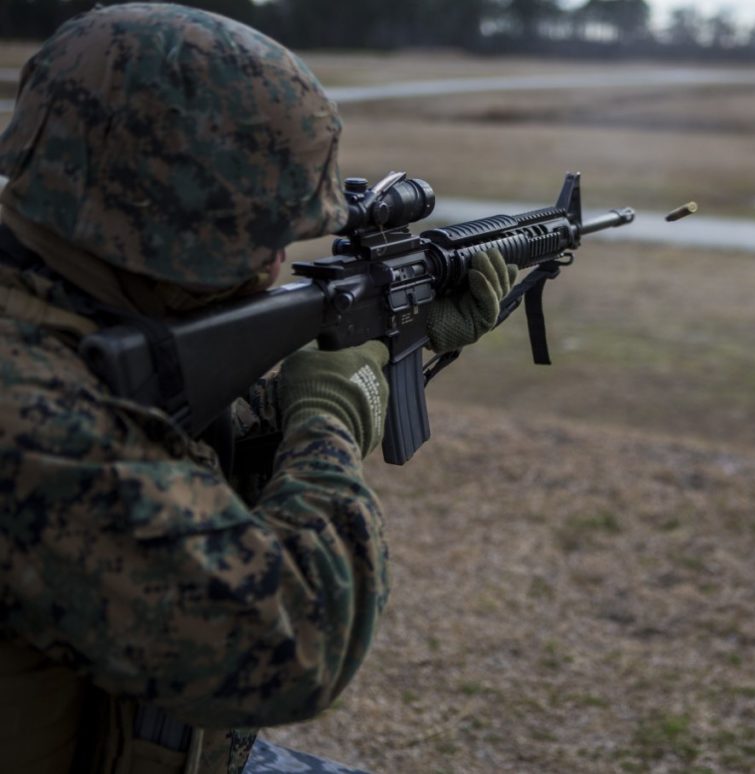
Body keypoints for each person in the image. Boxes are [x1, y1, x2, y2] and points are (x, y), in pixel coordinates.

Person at [0, 4, 514, 772]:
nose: (277, 264)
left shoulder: (66, 302)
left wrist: (384, 340)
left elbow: (169, 471)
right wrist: (335, 414)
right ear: (156, 217)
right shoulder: (30, 419)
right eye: (257, 232)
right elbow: (293, 645)